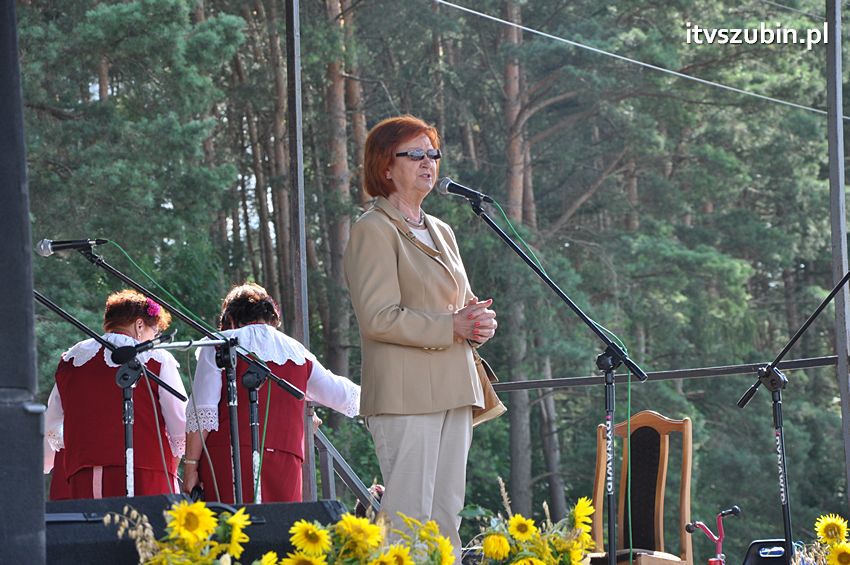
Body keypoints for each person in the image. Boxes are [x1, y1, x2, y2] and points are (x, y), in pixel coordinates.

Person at [343, 115, 498, 557]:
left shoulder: (442, 230)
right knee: (407, 522)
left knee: (447, 519)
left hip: (455, 387)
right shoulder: (372, 229)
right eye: (415, 154)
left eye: (433, 153)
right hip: (405, 394)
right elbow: (378, 317)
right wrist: (451, 326)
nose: (428, 162)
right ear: (386, 167)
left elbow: (459, 304)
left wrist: (478, 323)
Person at [182, 283, 360, 503]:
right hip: (286, 463)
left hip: (230, 458)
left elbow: (203, 412)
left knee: (231, 523)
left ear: (231, 319)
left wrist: (190, 466)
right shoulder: (297, 352)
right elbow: (340, 393)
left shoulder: (220, 344)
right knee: (281, 524)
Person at [43, 289, 187, 498]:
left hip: (83, 474)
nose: (154, 338)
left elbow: (52, 423)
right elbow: (180, 424)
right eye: (154, 332)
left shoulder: (72, 359)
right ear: (139, 325)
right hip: (146, 473)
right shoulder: (155, 358)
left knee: (93, 520)